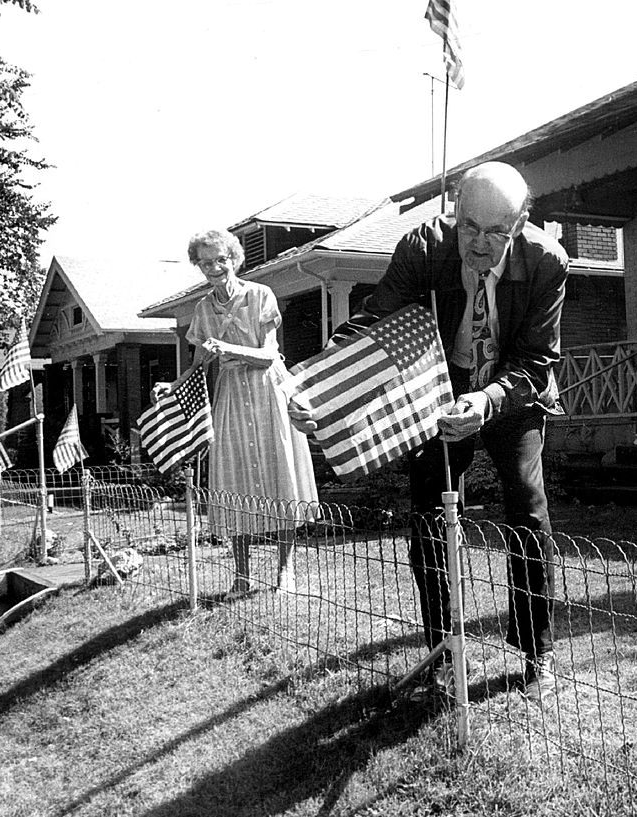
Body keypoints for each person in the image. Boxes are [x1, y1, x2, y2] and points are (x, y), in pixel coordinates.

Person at [291, 162, 567, 703]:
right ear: (453, 213)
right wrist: (318, 390)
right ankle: (444, 648)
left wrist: (487, 401)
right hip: (438, 388)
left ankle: (537, 652)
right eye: (470, 227)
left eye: (497, 233)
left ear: (522, 222)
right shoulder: (423, 247)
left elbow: (539, 358)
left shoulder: (546, 262)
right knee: (431, 512)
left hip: (512, 392)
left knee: (528, 509)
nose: (481, 245)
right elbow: (375, 322)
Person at [153, 229, 318, 597]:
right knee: (233, 480)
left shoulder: (260, 295)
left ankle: (285, 572)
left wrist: (227, 347)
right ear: (198, 266)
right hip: (230, 393)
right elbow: (199, 364)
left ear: (234, 259)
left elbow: (270, 355)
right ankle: (241, 578)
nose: (214, 267)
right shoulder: (202, 309)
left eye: (220, 260)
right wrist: (174, 386)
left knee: (280, 475)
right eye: (206, 262)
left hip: (268, 392)